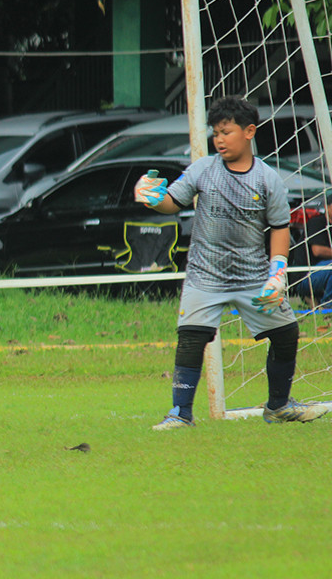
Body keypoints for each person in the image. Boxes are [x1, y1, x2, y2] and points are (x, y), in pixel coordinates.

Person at [134, 96, 327, 429]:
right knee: (192, 337)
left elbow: (280, 229)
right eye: (215, 133)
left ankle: (278, 406)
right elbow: (173, 202)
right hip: (204, 275)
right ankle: (180, 413)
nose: (219, 139)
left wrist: (277, 274)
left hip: (252, 276)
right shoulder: (202, 170)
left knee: (286, 334)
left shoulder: (267, 180)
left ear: (249, 131)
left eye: (226, 132)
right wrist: (153, 198)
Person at [294, 206, 332, 308]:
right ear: (327, 207)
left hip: (321, 274)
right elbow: (317, 251)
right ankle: (328, 306)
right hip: (304, 278)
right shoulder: (317, 223)